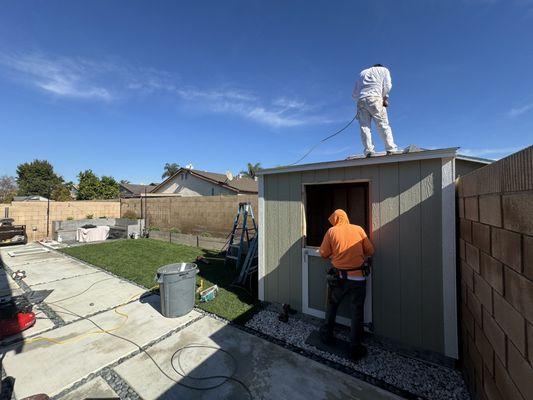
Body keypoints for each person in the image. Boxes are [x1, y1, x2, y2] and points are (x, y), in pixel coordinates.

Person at [318, 209, 374, 360]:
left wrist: (334, 252)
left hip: (339, 278)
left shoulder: (331, 231)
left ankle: (326, 336)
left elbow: (323, 253)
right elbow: (370, 250)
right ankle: (355, 348)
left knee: (332, 306)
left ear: (336, 219)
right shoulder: (358, 229)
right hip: (358, 279)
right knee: (357, 312)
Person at [352, 64, 401, 157]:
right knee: (382, 124)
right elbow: (387, 86)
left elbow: (354, 94)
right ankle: (390, 149)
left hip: (361, 101)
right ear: (380, 66)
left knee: (365, 127)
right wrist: (383, 98)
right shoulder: (384, 70)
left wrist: (363, 98)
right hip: (375, 98)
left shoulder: (362, 72)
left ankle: (369, 151)